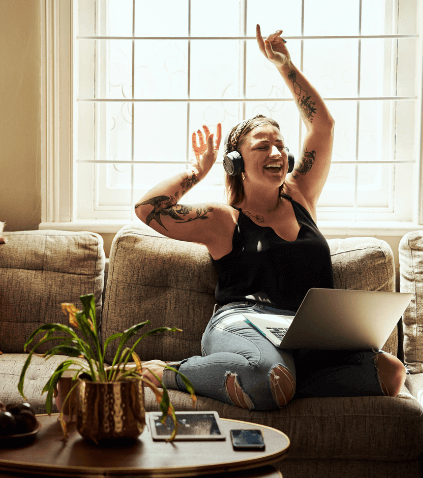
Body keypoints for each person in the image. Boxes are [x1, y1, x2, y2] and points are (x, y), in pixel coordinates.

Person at [133, 25, 407, 411]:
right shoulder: (223, 220)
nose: (276, 151)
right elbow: (149, 209)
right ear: (236, 162)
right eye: (263, 145)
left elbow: (323, 127)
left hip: (302, 334)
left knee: (390, 372)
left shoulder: (301, 196)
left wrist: (285, 65)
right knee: (266, 377)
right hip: (243, 322)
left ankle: (282, 381)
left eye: (280, 144)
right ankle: (165, 372)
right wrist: (198, 171)